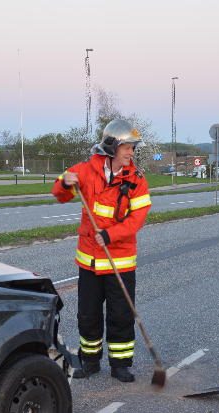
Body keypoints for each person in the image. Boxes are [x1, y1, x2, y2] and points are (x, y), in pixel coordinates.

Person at [51, 119, 152, 383]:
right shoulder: (86, 170)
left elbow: (137, 219)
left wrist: (110, 234)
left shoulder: (137, 180)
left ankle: (120, 365)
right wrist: (64, 181)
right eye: (127, 147)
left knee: (121, 314)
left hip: (120, 261)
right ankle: (90, 360)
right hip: (90, 262)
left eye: (132, 148)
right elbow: (59, 194)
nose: (131, 152)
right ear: (111, 146)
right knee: (88, 314)